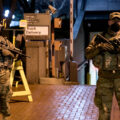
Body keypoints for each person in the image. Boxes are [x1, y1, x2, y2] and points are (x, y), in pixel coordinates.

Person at [86, 12, 120, 120]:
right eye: (113, 21)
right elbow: (88, 54)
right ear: (109, 22)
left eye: (118, 21)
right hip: (105, 78)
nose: (116, 23)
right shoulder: (99, 38)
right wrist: (100, 48)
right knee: (104, 111)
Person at [0, 27, 16, 120]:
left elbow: (15, 52)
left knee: (5, 98)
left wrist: (10, 53)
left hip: (3, 73)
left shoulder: (5, 41)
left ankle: (6, 117)